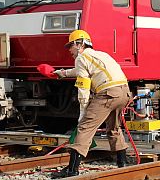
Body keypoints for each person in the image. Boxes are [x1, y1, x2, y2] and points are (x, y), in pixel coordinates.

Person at [51, 29, 131, 178]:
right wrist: (63, 73)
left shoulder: (81, 58)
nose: (69, 50)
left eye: (71, 46)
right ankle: (123, 162)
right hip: (124, 92)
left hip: (107, 94)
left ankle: (72, 170)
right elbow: (82, 71)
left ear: (79, 44)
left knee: (85, 128)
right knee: (113, 127)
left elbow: (83, 85)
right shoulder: (101, 54)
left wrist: (83, 110)